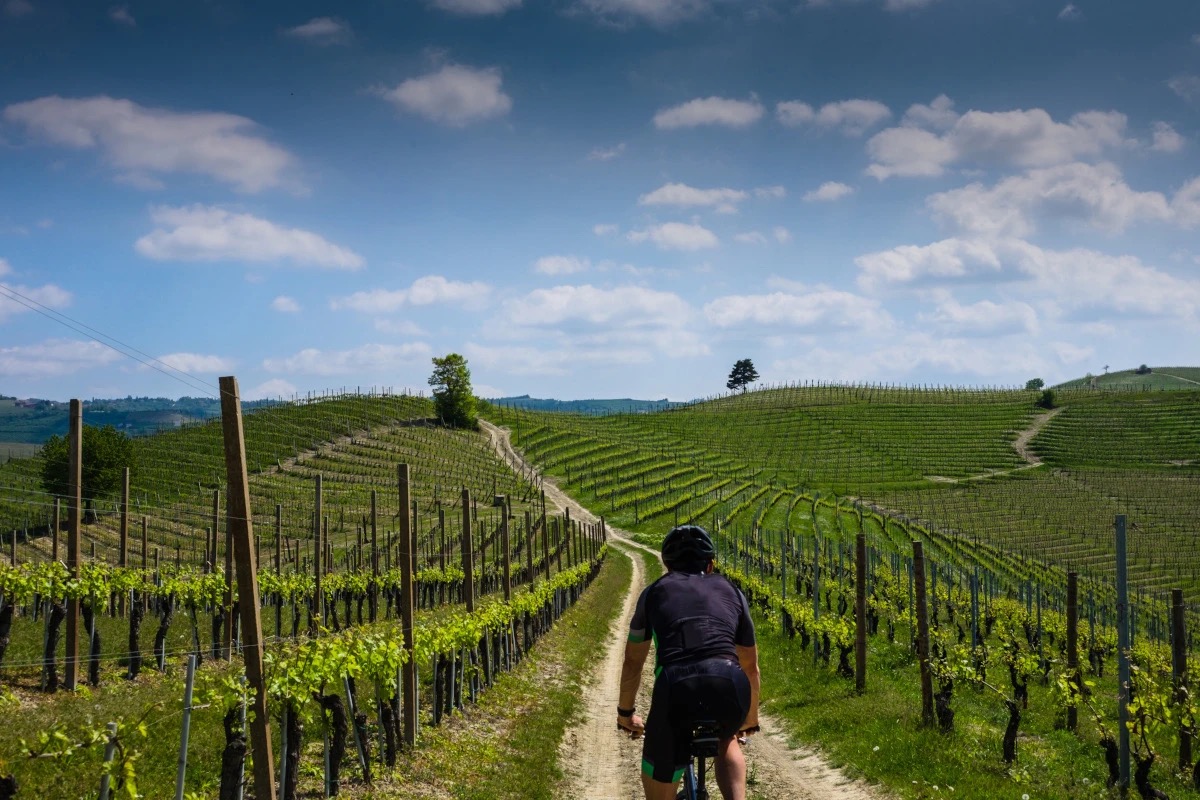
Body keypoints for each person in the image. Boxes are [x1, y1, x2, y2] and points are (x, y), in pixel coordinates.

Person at [617, 524, 761, 800]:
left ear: (666, 564)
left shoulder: (653, 593)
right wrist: (749, 720)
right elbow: (751, 666)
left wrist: (626, 713)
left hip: (676, 686)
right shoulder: (733, 592)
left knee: (661, 764)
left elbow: (633, 662)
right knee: (727, 737)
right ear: (711, 565)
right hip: (729, 681)